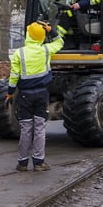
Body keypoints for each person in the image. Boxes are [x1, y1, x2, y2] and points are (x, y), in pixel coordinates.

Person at [9, 21, 65, 172]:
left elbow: (14, 75)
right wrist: (51, 30)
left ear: (28, 36)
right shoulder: (46, 50)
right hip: (41, 95)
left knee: (26, 128)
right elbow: (60, 41)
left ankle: (22, 163)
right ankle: (39, 163)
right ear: (41, 36)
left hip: (25, 96)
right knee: (39, 128)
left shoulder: (19, 53)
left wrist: (10, 92)